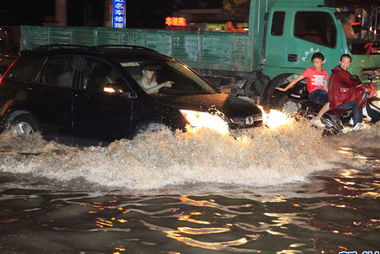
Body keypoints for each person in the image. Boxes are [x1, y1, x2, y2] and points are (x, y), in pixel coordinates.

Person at [276, 52, 329, 127]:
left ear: (322, 62)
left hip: (322, 93)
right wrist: (285, 89)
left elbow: (325, 86)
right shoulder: (309, 70)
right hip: (314, 93)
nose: (315, 64)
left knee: (336, 100)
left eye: (317, 62)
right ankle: (317, 119)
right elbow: (296, 80)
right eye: (314, 62)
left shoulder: (325, 72)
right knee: (332, 101)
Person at [328, 54, 363, 131]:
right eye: (344, 62)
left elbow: (351, 83)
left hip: (342, 100)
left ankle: (353, 119)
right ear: (340, 62)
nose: (345, 64)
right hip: (337, 102)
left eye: (347, 63)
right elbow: (341, 88)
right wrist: (353, 88)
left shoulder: (345, 73)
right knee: (357, 102)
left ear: (349, 64)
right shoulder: (336, 74)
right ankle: (357, 124)